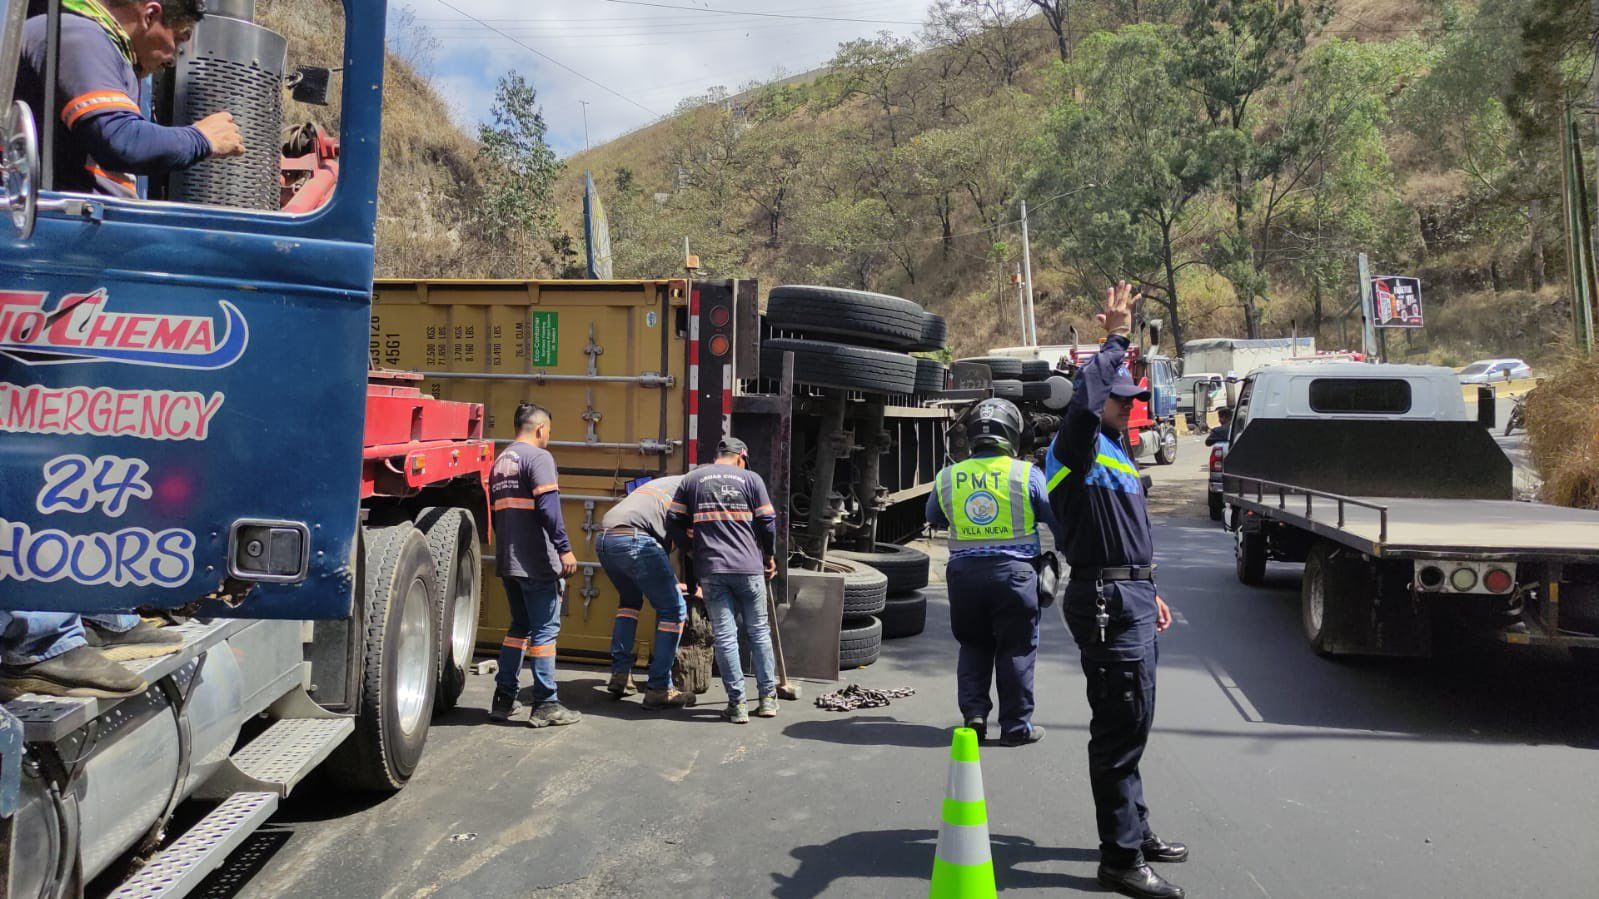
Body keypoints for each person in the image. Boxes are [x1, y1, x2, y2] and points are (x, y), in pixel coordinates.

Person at [1046, 282, 1186, 899]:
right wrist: (1116, 340)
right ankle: (1121, 860)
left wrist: (1146, 586)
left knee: (1136, 721)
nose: (1128, 407)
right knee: (1120, 726)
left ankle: (1137, 830)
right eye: (1119, 400)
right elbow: (1084, 401)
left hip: (1128, 597)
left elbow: (1126, 536)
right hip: (1104, 602)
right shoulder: (1073, 446)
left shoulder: (1117, 454)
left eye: (1132, 400)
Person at [926, 398, 1066, 747]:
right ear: (1012, 435)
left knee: (973, 644)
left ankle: (974, 717)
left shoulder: (949, 476)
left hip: (964, 577)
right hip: (1015, 577)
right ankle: (1017, 727)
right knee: (1016, 649)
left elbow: (933, 516)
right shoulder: (1025, 474)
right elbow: (1056, 520)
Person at [16, 0, 244, 199]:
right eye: (177, 37)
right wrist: (201, 138)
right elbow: (121, 140)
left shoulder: (92, 40)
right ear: (150, 15)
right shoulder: (79, 35)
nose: (173, 58)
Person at [668, 438, 778, 725]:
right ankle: (767, 700)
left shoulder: (693, 478)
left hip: (712, 569)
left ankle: (737, 704)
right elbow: (767, 522)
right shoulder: (751, 479)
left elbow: (673, 520)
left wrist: (691, 549)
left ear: (717, 456)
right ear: (741, 456)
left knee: (727, 638)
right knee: (758, 632)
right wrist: (769, 555)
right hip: (749, 568)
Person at [488, 402, 581, 728]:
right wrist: (565, 549)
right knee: (544, 632)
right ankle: (546, 703)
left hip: (509, 562)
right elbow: (548, 508)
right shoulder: (538, 457)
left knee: (519, 629)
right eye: (549, 433)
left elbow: (494, 515)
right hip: (536, 562)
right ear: (540, 429)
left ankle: (503, 699)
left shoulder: (500, 462)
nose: (548, 439)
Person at [595, 475, 695, 709]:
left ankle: (620, 675)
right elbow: (689, 542)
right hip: (635, 539)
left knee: (630, 601)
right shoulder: (696, 490)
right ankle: (660, 688)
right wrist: (694, 585)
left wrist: (670, 581)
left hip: (605, 539)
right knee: (674, 610)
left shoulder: (668, 484)